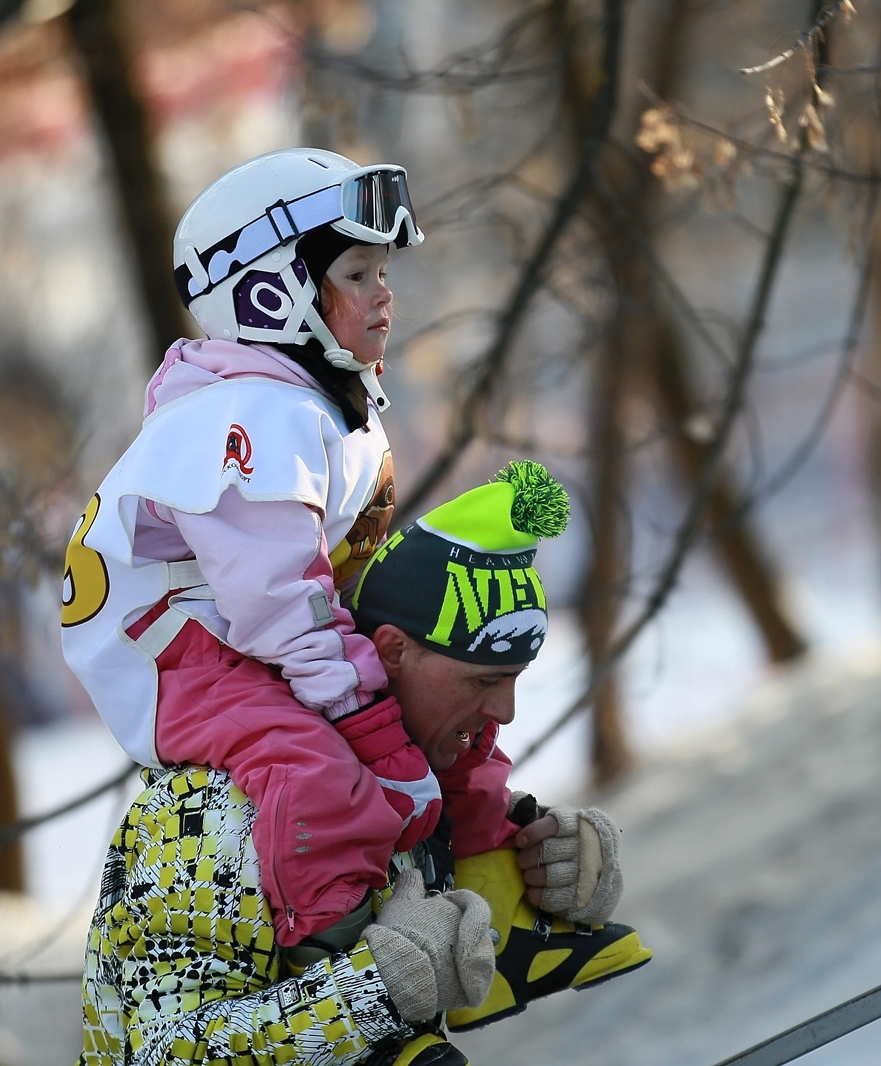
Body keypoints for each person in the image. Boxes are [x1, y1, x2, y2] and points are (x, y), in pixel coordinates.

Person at [79, 466, 652, 1066]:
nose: (504, 712)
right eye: (483, 680)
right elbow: (163, 1056)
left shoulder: (407, 785)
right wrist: (376, 988)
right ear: (391, 651)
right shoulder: (212, 814)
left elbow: (448, 952)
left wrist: (550, 871)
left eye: (512, 682)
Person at [61, 148, 445, 953]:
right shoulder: (248, 418)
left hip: (237, 622)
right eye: (355, 273)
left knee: (441, 680)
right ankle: (339, 957)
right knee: (313, 771)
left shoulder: (308, 396)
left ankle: (486, 885)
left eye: (382, 271)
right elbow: (278, 600)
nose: (384, 294)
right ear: (272, 294)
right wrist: (369, 729)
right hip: (171, 648)